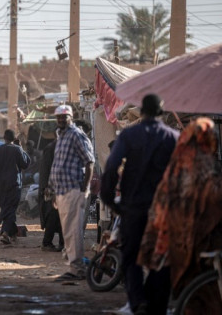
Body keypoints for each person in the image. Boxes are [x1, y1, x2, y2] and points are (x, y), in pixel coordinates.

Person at [137, 117, 222, 315]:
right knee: (203, 286)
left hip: (168, 233)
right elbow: (214, 203)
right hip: (195, 235)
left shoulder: (176, 161)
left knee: (167, 279)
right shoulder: (207, 165)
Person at [100, 94, 179, 315]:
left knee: (131, 257)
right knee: (161, 258)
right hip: (163, 211)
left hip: (133, 208)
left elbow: (112, 167)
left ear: (142, 112)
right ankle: (156, 305)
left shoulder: (128, 135)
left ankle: (138, 302)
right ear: (160, 114)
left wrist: (109, 200)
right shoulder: (173, 137)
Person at [50, 104, 95, 281]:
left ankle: (77, 270)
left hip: (73, 190)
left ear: (71, 117)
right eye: (58, 117)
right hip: (61, 191)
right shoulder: (62, 135)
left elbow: (89, 162)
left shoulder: (76, 134)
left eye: (64, 117)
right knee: (68, 231)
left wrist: (85, 188)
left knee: (74, 231)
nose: (61, 120)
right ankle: (74, 266)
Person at [0, 129, 31, 245]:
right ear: (14, 139)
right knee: (10, 210)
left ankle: (10, 234)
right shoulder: (17, 149)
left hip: (1, 185)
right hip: (14, 184)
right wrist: (22, 149)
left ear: (4, 138)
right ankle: (6, 232)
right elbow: (25, 164)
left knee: (7, 209)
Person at [38, 138, 64, 252]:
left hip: (61, 187)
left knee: (62, 216)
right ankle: (47, 242)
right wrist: (45, 188)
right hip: (51, 189)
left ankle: (63, 243)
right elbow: (45, 170)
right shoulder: (51, 149)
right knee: (53, 216)